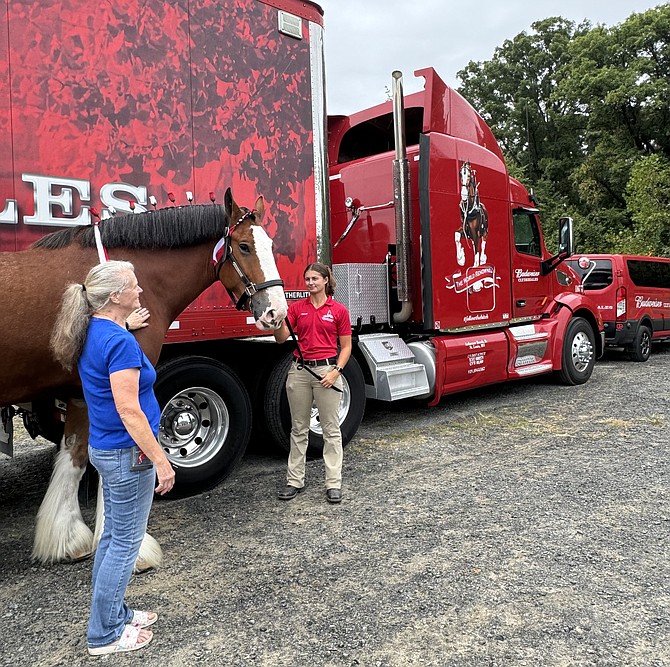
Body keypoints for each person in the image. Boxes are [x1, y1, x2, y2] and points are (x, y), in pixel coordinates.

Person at [50, 260, 175, 656]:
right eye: (134, 287)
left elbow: (113, 347)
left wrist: (128, 326)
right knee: (125, 543)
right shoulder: (118, 342)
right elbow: (130, 410)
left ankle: (116, 613)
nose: (141, 291)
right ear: (116, 296)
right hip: (128, 453)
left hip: (108, 449)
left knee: (112, 540)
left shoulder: (96, 330)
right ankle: (104, 634)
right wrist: (161, 460)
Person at [273, 262, 352, 504]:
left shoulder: (338, 310)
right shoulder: (297, 308)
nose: (310, 283)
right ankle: (294, 481)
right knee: (298, 429)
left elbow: (346, 347)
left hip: (326, 372)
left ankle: (333, 483)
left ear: (326, 280)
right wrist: (277, 319)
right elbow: (281, 339)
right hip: (300, 371)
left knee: (330, 429)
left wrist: (335, 372)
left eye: (315, 278)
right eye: (307, 279)